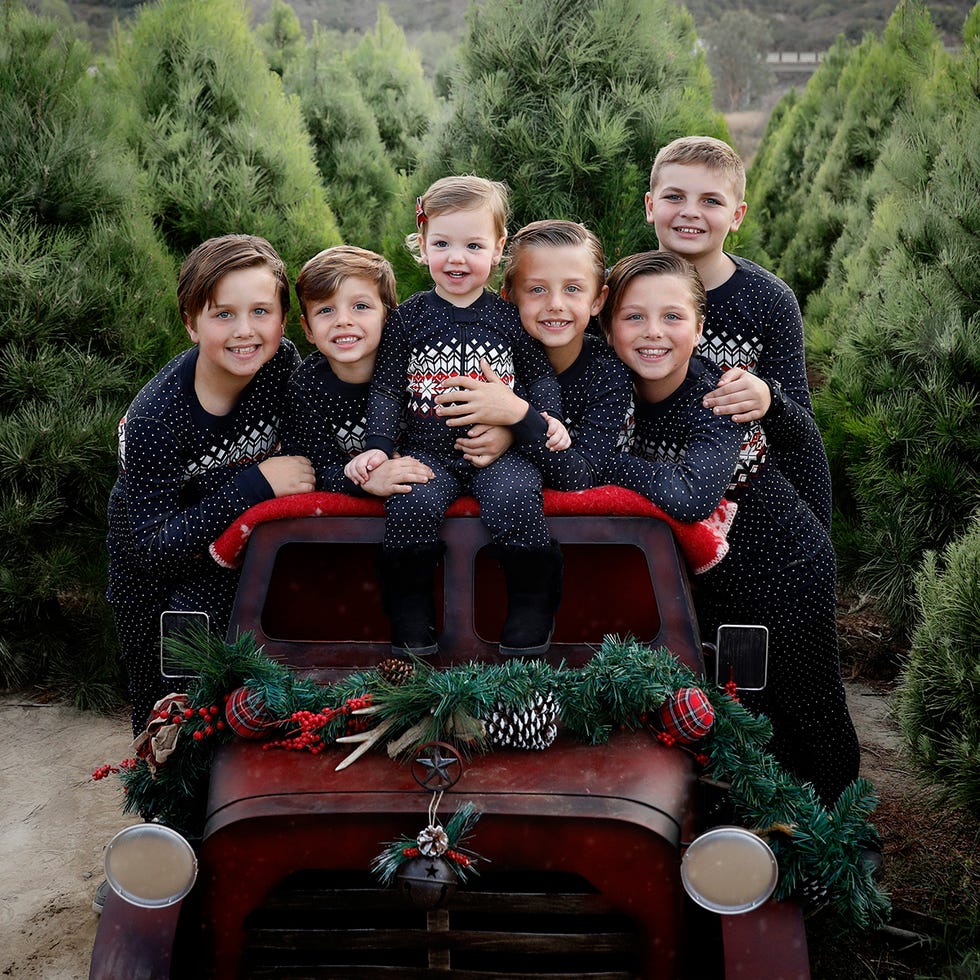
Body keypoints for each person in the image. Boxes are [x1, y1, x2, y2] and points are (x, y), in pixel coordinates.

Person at [601, 249, 859, 805]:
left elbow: (690, 497)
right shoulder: (608, 392)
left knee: (806, 701)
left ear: (699, 327)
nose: (653, 333)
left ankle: (839, 827)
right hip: (710, 579)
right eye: (633, 317)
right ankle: (743, 827)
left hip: (782, 566)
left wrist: (603, 461)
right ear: (606, 325)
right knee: (735, 705)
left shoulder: (714, 397)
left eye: (673, 317)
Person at [344, 176, 568, 659]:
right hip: (430, 452)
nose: (457, 258)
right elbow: (386, 390)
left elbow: (540, 377)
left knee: (514, 499)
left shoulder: (508, 318)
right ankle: (410, 613)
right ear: (422, 246)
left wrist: (547, 417)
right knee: (410, 505)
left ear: (498, 246)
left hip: (499, 454)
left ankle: (531, 605)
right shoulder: (409, 318)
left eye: (473, 245)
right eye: (442, 243)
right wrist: (379, 447)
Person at [106, 234, 314, 738]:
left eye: (261, 311)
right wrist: (254, 483)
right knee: (171, 709)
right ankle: (165, 809)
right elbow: (152, 547)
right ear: (190, 322)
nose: (245, 331)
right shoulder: (158, 417)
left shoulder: (282, 367)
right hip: (153, 580)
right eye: (223, 314)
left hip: (237, 558)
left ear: (283, 319)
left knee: (246, 700)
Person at [645, 135, 832, 532]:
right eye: (674, 197)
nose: (690, 212)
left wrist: (769, 398)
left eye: (711, 201)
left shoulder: (768, 300)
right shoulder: (620, 294)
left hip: (747, 515)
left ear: (737, 215)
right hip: (644, 507)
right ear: (650, 205)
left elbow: (801, 433)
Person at [433, 219, 630, 491]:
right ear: (509, 299)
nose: (556, 305)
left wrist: (519, 419)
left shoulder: (606, 372)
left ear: (597, 299)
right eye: (537, 289)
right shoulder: (483, 361)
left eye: (572, 289)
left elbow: (582, 477)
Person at [280, 245, 433, 498]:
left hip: (424, 488)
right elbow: (317, 469)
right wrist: (365, 481)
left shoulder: (417, 367)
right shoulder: (305, 388)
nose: (343, 320)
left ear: (389, 316)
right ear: (307, 328)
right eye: (325, 310)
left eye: (360, 306)